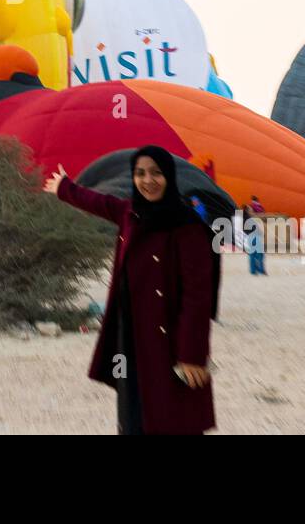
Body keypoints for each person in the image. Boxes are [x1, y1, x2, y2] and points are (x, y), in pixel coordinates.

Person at [44, 145, 218, 435]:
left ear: (169, 176)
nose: (147, 180)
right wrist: (64, 187)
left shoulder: (188, 227)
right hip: (131, 335)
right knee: (134, 413)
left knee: (172, 415)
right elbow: (99, 202)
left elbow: (197, 296)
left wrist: (192, 354)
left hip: (169, 340)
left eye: (156, 173)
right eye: (140, 174)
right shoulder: (130, 213)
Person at [243, 204, 266, 276]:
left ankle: (254, 270)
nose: (252, 210)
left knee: (253, 255)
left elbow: (246, 230)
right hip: (255, 237)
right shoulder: (249, 219)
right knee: (259, 254)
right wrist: (260, 233)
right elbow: (254, 229)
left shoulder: (246, 219)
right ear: (247, 211)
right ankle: (260, 270)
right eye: (250, 209)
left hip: (250, 237)